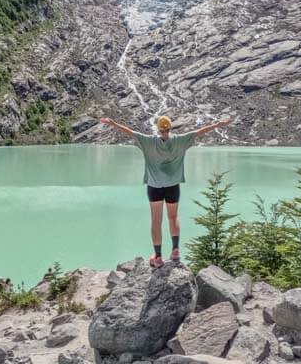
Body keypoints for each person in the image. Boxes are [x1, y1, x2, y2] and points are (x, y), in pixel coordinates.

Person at [100, 114, 235, 267]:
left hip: (154, 187)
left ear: (158, 129)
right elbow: (199, 132)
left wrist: (113, 123)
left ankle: (157, 257)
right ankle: (175, 250)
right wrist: (218, 124)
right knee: (173, 217)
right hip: (173, 186)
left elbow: (130, 132)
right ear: (170, 128)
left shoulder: (148, 142)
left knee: (156, 221)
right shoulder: (180, 140)